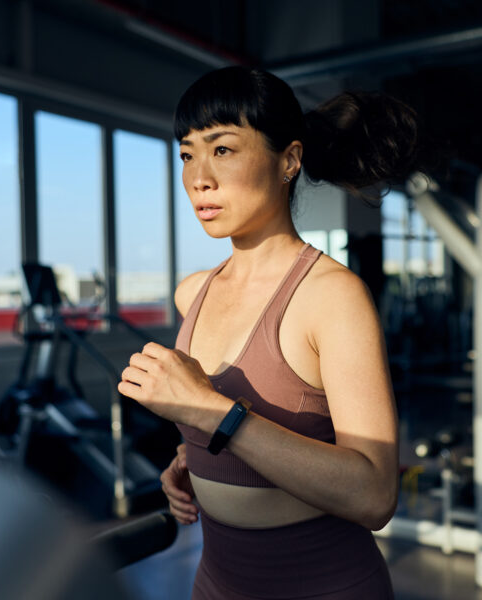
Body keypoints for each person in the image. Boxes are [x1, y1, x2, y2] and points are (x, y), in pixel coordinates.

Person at [118, 66, 421, 600]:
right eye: (187, 154)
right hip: (215, 584)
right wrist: (194, 459)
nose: (198, 178)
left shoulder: (331, 296)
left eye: (223, 149)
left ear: (289, 160)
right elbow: (231, 435)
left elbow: (375, 495)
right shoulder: (193, 293)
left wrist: (212, 414)